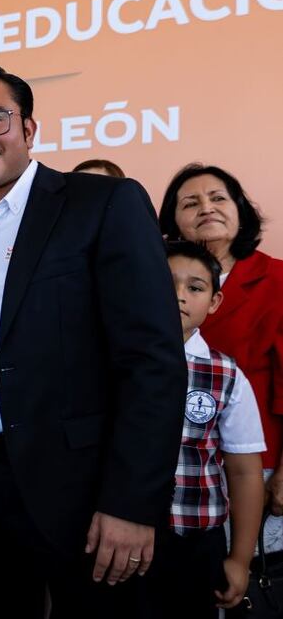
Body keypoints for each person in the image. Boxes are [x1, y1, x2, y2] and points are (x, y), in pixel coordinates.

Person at [0, 62, 186, 617]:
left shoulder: (103, 204)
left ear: (28, 128)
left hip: (84, 491)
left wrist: (131, 502)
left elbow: (152, 362)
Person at [159, 164, 283, 552]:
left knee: (242, 570)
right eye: (190, 203)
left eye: (218, 198)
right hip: (171, 462)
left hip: (256, 462)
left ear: (240, 210)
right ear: (173, 222)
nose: (206, 208)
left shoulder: (277, 278)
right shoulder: (149, 279)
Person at [146, 241, 265, 617]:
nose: (179, 295)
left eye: (195, 287)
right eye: (166, 283)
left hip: (196, 543)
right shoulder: (113, 360)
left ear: (214, 302)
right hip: (123, 537)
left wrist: (240, 559)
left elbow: (244, 471)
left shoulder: (226, 375)